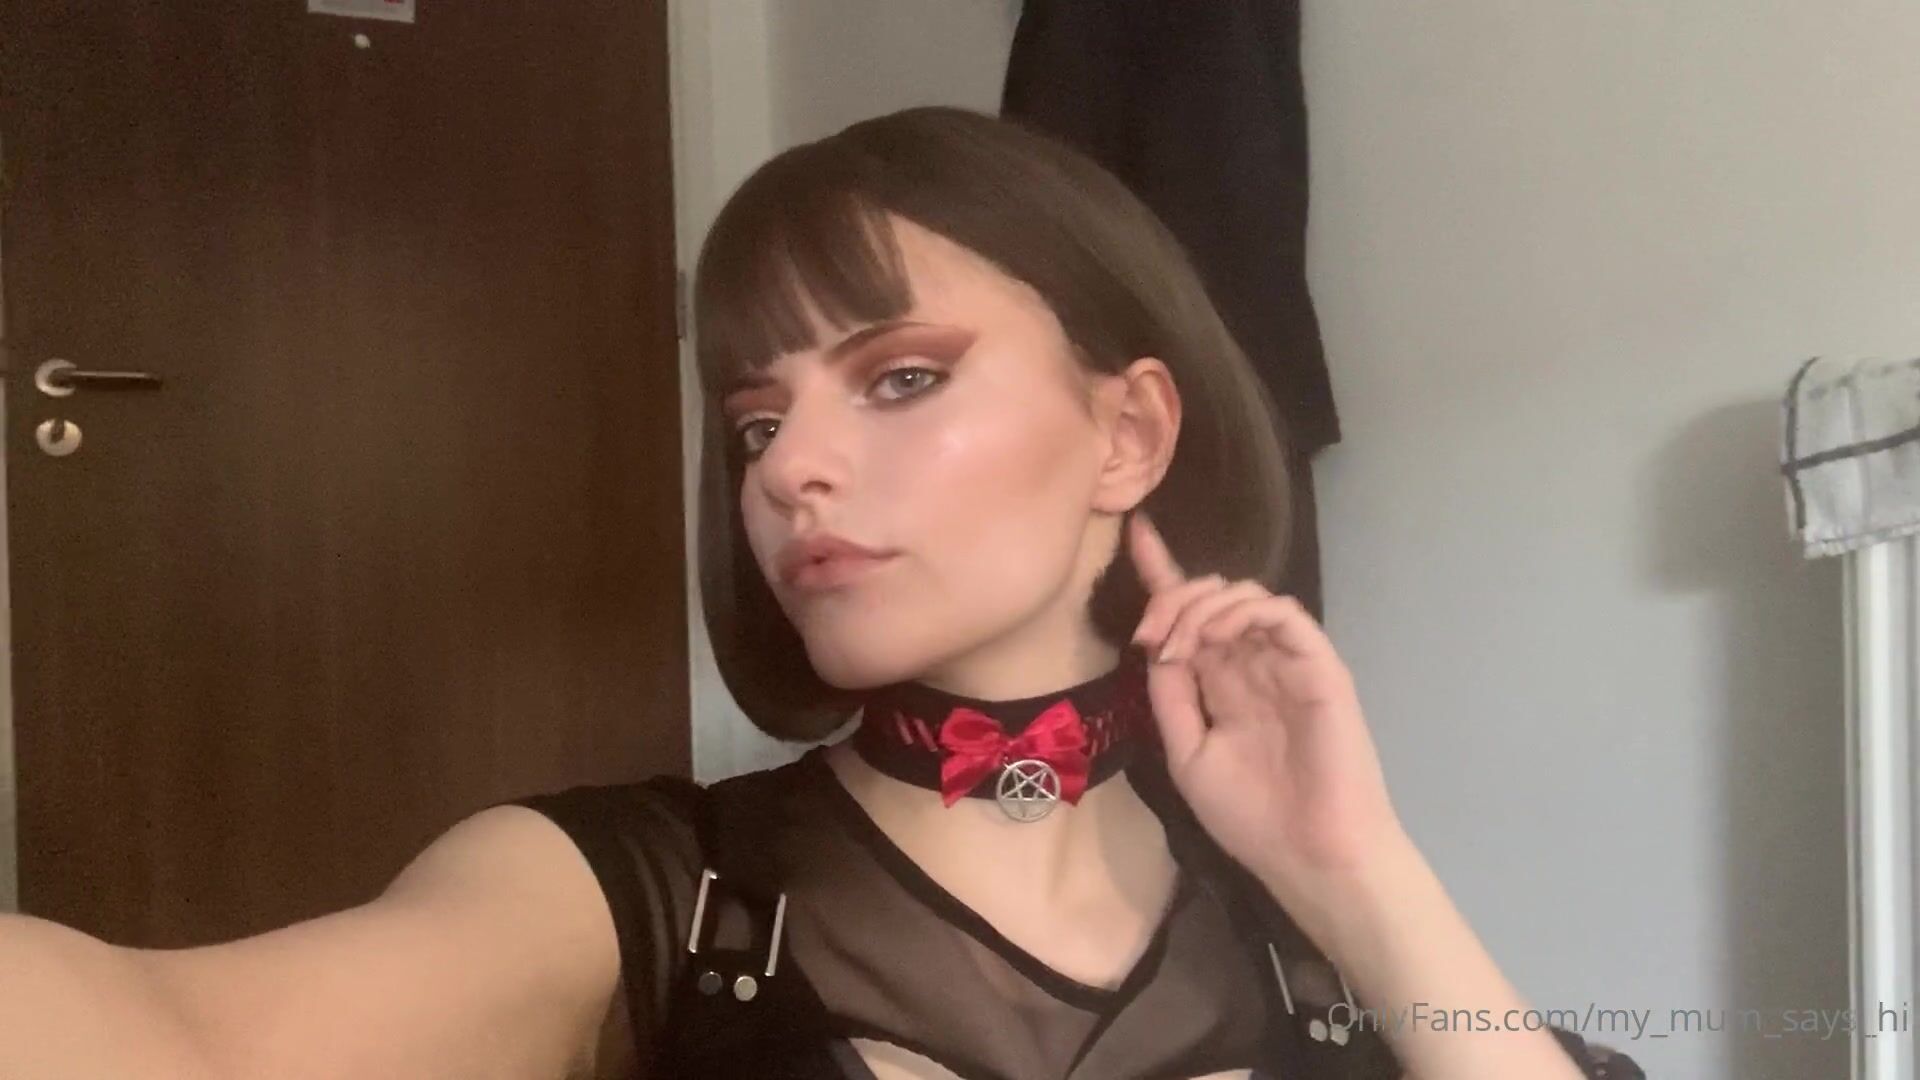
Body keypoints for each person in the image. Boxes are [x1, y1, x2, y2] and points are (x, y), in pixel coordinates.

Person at [0, 105, 1643, 1080]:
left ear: (1128, 433)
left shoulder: (1303, 924)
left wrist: (1358, 876)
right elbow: (169, 1041)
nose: (789, 468)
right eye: (755, 422)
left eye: (901, 377)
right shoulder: (652, 898)